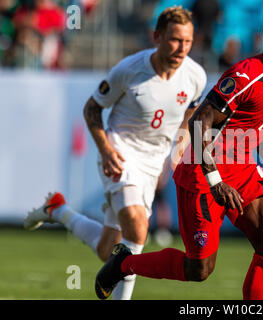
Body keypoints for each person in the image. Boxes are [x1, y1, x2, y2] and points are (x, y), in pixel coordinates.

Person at [95, 10, 263, 300]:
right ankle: (124, 263)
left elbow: (261, 127)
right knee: (199, 269)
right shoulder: (245, 76)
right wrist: (215, 181)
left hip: (244, 173)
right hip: (203, 175)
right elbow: (198, 123)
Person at [24, 6, 206, 300]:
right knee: (138, 228)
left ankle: (58, 210)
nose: (181, 48)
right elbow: (92, 108)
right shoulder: (129, 70)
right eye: (174, 40)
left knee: (108, 250)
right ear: (157, 36)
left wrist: (180, 147)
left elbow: (191, 111)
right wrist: (106, 149)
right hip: (120, 152)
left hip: (152, 161)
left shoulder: (195, 75)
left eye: (187, 41)